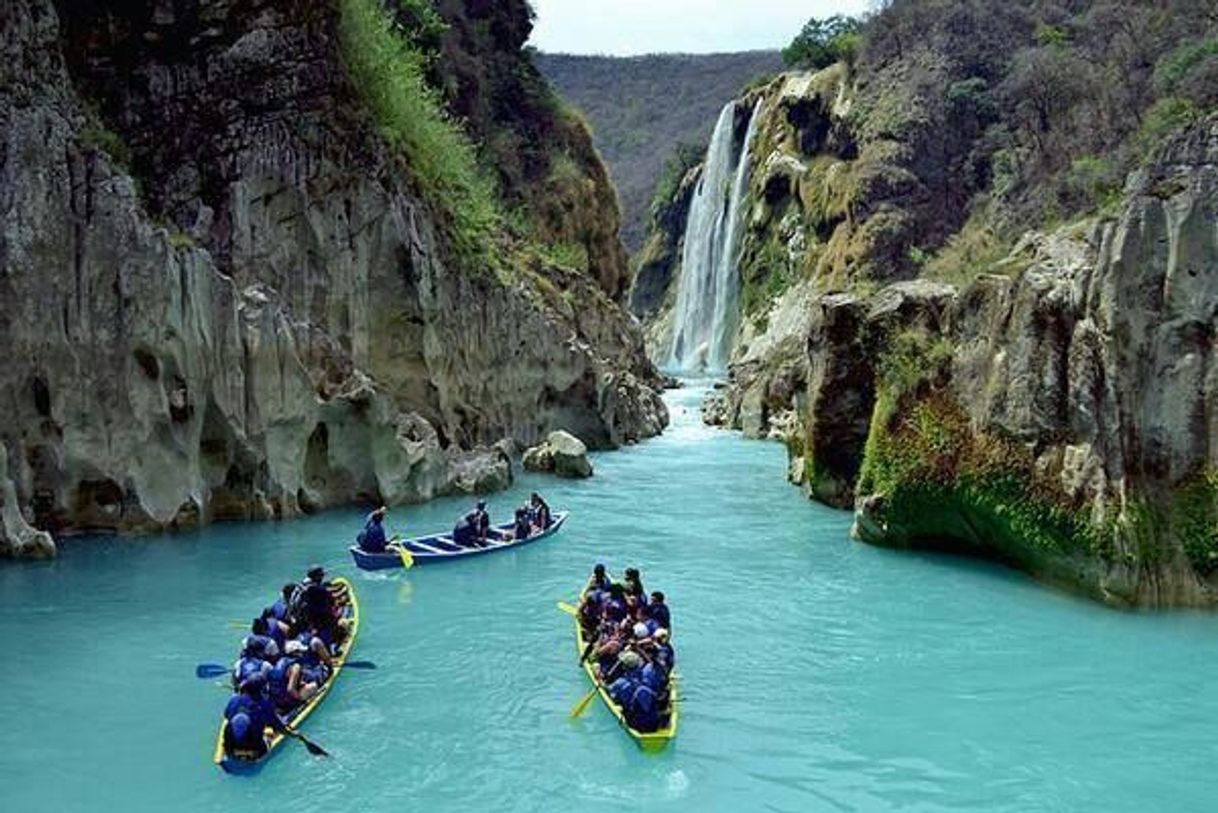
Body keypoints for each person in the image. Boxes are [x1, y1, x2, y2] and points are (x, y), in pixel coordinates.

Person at [223, 675, 286, 758]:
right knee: (269, 733)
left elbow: (227, 715)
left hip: (230, 749)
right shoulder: (265, 705)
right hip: (255, 751)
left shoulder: (234, 699)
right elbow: (280, 727)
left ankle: (234, 753)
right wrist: (294, 734)